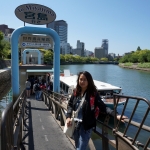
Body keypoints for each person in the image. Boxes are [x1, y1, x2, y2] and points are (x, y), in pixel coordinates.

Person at [66, 71, 127, 150]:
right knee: (77, 145)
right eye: (80, 79)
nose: (82, 81)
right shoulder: (76, 92)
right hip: (75, 124)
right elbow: (70, 104)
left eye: (85, 79)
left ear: (89, 81)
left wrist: (115, 114)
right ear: (78, 80)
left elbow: (103, 107)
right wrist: (68, 117)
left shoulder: (93, 94)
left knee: (80, 148)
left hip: (86, 127)